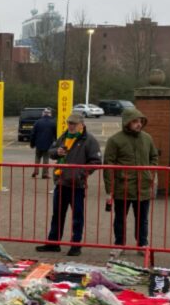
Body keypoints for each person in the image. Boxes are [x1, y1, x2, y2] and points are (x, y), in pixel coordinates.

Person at [36, 111, 102, 256]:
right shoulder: (64, 136)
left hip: (77, 185)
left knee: (77, 216)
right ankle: (53, 243)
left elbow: (96, 161)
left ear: (81, 125)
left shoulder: (89, 140)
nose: (70, 126)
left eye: (73, 124)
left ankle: (75, 245)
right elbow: (51, 151)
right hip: (61, 182)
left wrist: (82, 173)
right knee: (57, 214)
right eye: (69, 123)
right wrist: (56, 152)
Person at [103, 107, 159, 255]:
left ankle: (142, 245)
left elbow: (154, 157)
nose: (139, 124)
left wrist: (149, 170)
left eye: (140, 121)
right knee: (120, 218)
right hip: (123, 186)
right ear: (127, 122)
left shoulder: (147, 138)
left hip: (143, 186)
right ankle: (119, 244)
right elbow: (108, 165)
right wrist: (109, 190)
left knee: (142, 219)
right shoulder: (114, 140)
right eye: (135, 121)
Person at [29, 107, 57, 178]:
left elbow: (33, 134)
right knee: (46, 158)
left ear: (43, 114)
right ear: (50, 114)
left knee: (37, 157)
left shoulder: (37, 122)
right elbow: (56, 134)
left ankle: (36, 171)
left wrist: (32, 143)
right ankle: (45, 174)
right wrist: (56, 143)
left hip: (38, 144)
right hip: (48, 144)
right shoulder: (53, 123)